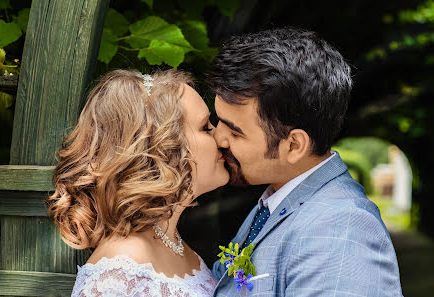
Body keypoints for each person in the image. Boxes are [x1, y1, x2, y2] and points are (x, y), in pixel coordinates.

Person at [207, 28, 403, 296]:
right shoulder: (276, 199)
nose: (218, 138)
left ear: (294, 145)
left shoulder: (341, 228)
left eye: (234, 131)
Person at [46, 69, 229, 296]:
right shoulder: (118, 272)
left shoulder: (176, 244)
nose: (221, 138)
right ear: (162, 148)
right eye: (205, 127)